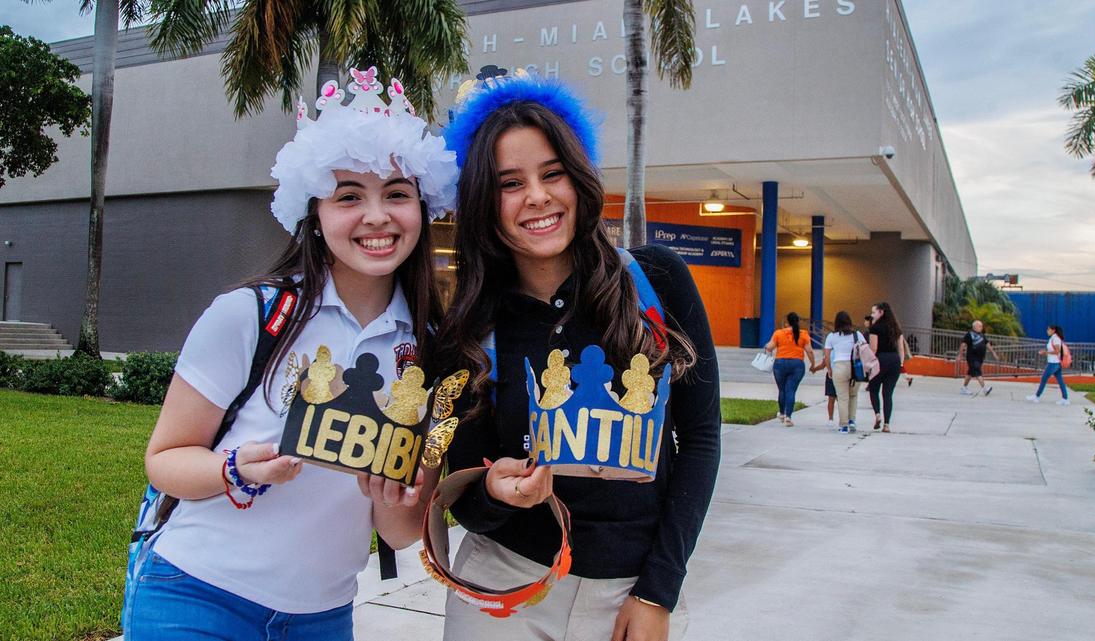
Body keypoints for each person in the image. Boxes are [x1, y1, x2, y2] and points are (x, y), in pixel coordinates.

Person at [122, 70, 458, 640]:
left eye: (397, 194)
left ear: (422, 210)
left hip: (321, 616)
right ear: (315, 212)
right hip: (195, 594)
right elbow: (165, 460)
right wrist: (235, 469)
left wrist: (404, 493)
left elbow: (401, 534)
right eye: (349, 195)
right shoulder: (249, 315)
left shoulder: (434, 348)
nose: (376, 216)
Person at [433, 72, 720, 641]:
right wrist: (495, 491)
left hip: (629, 595)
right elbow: (460, 494)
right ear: (483, 203)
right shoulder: (469, 327)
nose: (536, 196)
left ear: (579, 178)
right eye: (509, 183)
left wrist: (658, 590)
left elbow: (701, 439)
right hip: (503, 590)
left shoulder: (658, 279)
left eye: (552, 173)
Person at [763, 311, 817, 426]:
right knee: (791, 390)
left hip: (780, 364)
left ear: (786, 322)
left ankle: (782, 413)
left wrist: (766, 346)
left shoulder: (778, 333)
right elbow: (809, 351)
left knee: (782, 390)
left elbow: (770, 347)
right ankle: (788, 417)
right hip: (797, 365)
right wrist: (813, 364)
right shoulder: (803, 334)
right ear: (797, 322)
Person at [866, 302, 906, 433]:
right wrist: (900, 364)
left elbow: (873, 348)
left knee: (873, 389)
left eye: (874, 312)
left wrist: (868, 363)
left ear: (881, 312)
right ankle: (887, 424)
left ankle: (877, 414)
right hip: (894, 361)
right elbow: (901, 348)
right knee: (888, 394)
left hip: (880, 360)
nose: (872, 316)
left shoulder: (875, 328)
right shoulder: (896, 328)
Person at [822, 311, 864, 433]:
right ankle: (852, 420)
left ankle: (844, 425)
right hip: (855, 367)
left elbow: (827, 355)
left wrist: (829, 369)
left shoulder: (831, 336)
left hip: (839, 366)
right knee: (853, 395)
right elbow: (864, 349)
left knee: (842, 397)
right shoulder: (857, 335)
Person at [1027, 325, 1071, 405]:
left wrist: (1045, 352)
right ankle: (1065, 399)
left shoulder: (1055, 339)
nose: (1047, 331)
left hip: (1053, 363)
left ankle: (1037, 396)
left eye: (1048, 329)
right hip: (1055, 363)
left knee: (1044, 379)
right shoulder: (1053, 338)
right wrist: (1046, 352)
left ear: (1053, 330)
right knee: (1060, 381)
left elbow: (1057, 351)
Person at [957, 320, 1001, 396]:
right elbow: (963, 345)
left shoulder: (982, 335)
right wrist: (959, 356)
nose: (981, 327)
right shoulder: (969, 335)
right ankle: (985, 389)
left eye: (981, 326)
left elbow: (987, 344)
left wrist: (994, 353)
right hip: (972, 357)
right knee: (978, 372)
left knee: (970, 373)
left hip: (979, 358)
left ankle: (964, 388)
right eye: (979, 326)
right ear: (974, 327)